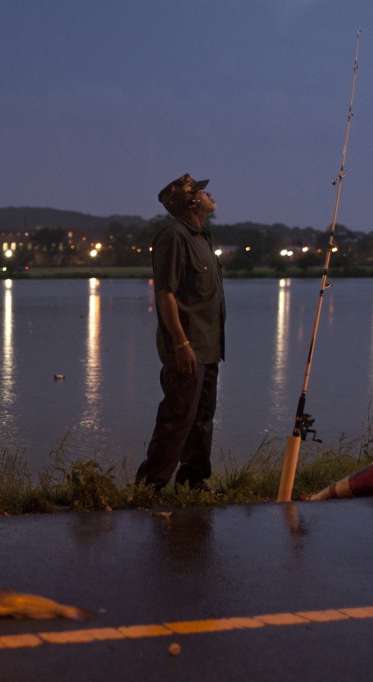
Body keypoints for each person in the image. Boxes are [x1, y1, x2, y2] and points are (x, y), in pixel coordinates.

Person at [135, 173, 226, 492]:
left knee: (202, 419)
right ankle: (150, 487)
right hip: (187, 348)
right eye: (202, 192)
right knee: (177, 419)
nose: (209, 194)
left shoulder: (201, 236)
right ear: (190, 203)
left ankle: (193, 482)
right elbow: (165, 293)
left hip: (209, 347)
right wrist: (181, 343)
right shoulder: (174, 237)